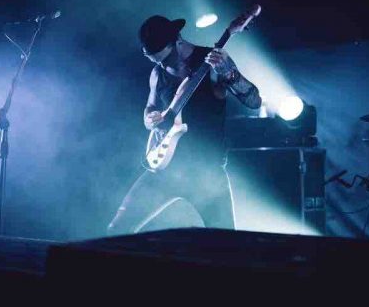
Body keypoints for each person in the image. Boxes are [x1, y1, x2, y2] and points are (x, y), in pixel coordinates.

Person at [107, 13, 262, 236]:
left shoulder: (212, 62)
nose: (162, 65)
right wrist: (149, 118)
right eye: (156, 61)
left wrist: (229, 73)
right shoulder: (158, 72)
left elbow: (254, 101)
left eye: (165, 59)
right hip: (165, 168)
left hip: (207, 173)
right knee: (118, 229)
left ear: (177, 41)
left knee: (225, 244)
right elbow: (150, 108)